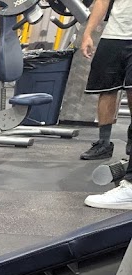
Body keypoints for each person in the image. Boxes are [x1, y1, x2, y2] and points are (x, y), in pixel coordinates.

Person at [79, 0, 132, 161]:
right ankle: (103, 143)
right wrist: (87, 34)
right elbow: (102, 1)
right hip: (113, 35)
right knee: (106, 89)